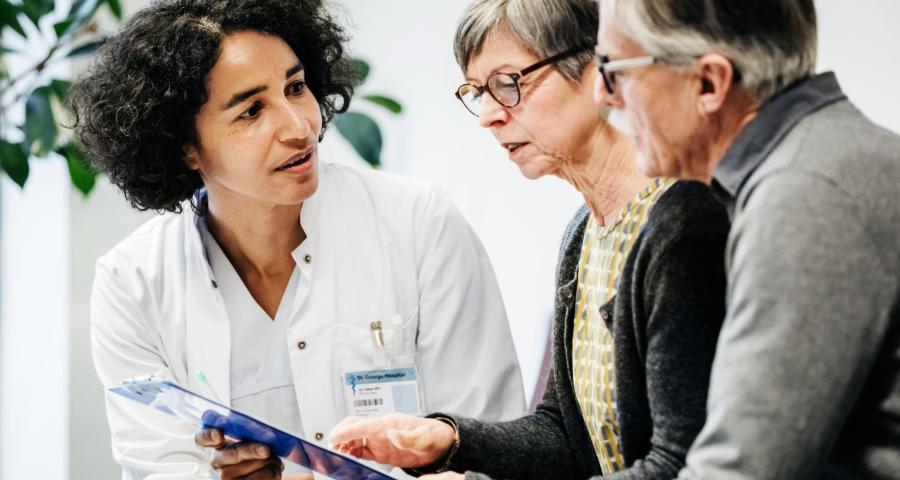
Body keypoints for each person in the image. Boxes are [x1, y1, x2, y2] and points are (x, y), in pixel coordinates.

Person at [70, 1, 526, 479]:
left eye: (295, 87)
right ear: (185, 146)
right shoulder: (133, 282)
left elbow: (490, 444)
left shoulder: (418, 223)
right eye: (251, 111)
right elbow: (158, 468)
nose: (298, 126)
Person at [329, 1, 730, 479]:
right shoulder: (585, 231)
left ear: (595, 70)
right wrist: (450, 439)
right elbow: (564, 431)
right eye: (478, 92)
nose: (488, 116)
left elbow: (683, 464)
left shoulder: (682, 224)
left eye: (507, 83)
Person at [592, 0, 900, 478]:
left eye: (614, 70)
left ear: (709, 83)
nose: (603, 95)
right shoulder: (818, 160)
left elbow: (738, 471)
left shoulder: (804, 194)